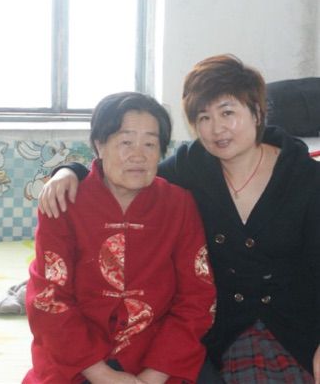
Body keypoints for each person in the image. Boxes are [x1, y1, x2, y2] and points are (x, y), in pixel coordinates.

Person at [39, 55, 320, 384]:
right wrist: (68, 171)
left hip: (299, 324)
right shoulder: (190, 170)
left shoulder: (305, 178)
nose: (216, 128)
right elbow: (127, 173)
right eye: (203, 117)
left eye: (227, 112)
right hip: (225, 329)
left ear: (257, 113)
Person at [24, 92, 218, 384]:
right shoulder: (63, 202)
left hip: (159, 356)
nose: (138, 155)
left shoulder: (179, 204)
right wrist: (101, 374)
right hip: (77, 360)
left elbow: (197, 297)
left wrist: (154, 375)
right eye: (126, 142)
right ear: (99, 145)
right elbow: (48, 298)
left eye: (150, 144)